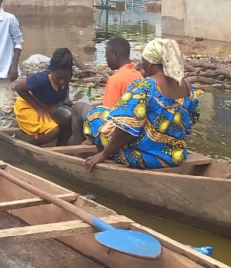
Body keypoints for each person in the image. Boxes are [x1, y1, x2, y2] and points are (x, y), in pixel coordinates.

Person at [83, 38, 199, 170]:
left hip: (148, 158)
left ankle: (106, 156)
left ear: (150, 64)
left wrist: (103, 155)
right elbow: (192, 119)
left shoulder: (145, 86)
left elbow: (125, 129)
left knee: (95, 116)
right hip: (176, 156)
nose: (142, 65)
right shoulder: (187, 86)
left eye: (144, 61)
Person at [13, 48, 77, 146]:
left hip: (47, 107)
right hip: (28, 107)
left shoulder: (64, 78)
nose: (62, 82)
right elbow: (19, 88)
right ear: (51, 71)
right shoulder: (41, 79)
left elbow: (65, 86)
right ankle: (28, 146)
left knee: (70, 121)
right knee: (54, 131)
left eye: (66, 79)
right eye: (58, 78)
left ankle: (60, 147)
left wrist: (66, 100)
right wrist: (38, 108)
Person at [101, 37, 143, 108]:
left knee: (81, 107)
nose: (106, 59)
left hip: (119, 115)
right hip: (136, 114)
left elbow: (108, 111)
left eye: (107, 56)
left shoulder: (114, 81)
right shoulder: (138, 75)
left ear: (116, 55)